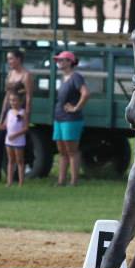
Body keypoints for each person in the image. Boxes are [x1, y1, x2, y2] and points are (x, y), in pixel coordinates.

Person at [0, 48, 33, 183]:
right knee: (1, 142)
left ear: (19, 59)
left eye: (11, 58)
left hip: (20, 112)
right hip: (9, 111)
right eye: (8, 59)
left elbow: (29, 97)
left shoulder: (26, 75)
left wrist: (26, 115)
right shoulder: (10, 74)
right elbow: (7, 95)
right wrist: (2, 114)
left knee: (20, 144)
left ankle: (19, 175)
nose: (9, 61)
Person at [52, 50, 89, 187]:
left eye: (62, 60)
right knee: (62, 151)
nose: (59, 62)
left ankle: (74, 181)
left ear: (70, 62)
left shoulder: (76, 77)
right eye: (58, 60)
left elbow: (85, 93)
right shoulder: (63, 77)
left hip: (71, 119)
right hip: (59, 118)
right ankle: (61, 181)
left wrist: (76, 108)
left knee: (72, 151)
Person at [4, 90, 27, 187]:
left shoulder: (23, 113)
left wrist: (15, 135)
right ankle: (9, 182)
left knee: (19, 161)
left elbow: (25, 128)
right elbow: (5, 126)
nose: (12, 102)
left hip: (18, 141)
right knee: (10, 160)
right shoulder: (9, 112)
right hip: (9, 141)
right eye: (10, 100)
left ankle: (21, 183)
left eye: (14, 100)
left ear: (20, 101)